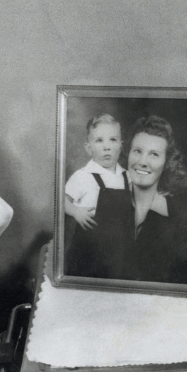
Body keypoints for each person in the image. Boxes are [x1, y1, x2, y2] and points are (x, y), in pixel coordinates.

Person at [124, 115, 187, 284]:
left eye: (154, 154)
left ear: (167, 162)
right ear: (128, 154)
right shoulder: (105, 203)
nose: (142, 162)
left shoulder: (181, 219)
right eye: (137, 151)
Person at [63, 114, 131, 278]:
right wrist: (76, 211)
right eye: (99, 140)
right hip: (88, 253)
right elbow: (61, 201)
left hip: (119, 254)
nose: (106, 146)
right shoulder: (83, 176)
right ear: (88, 147)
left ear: (121, 146)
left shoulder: (127, 177)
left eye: (113, 140)